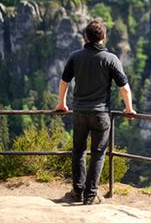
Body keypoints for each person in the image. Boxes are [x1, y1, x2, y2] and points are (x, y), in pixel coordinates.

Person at [55, 19, 136, 205]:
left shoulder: (75, 57)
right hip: (101, 114)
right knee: (98, 154)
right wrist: (129, 108)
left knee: (78, 152)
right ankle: (90, 197)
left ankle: (77, 191)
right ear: (104, 37)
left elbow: (64, 81)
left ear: (86, 36)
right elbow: (124, 87)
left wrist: (61, 103)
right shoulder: (110, 59)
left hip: (80, 112)